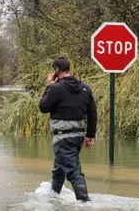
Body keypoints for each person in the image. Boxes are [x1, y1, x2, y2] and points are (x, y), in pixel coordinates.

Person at [39, 57, 97, 202]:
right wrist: (90, 135)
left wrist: (49, 86)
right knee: (59, 169)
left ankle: (84, 203)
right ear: (69, 70)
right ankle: (53, 196)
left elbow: (43, 107)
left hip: (63, 138)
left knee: (74, 173)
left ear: (56, 71)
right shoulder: (85, 88)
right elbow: (92, 114)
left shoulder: (55, 88)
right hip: (78, 136)